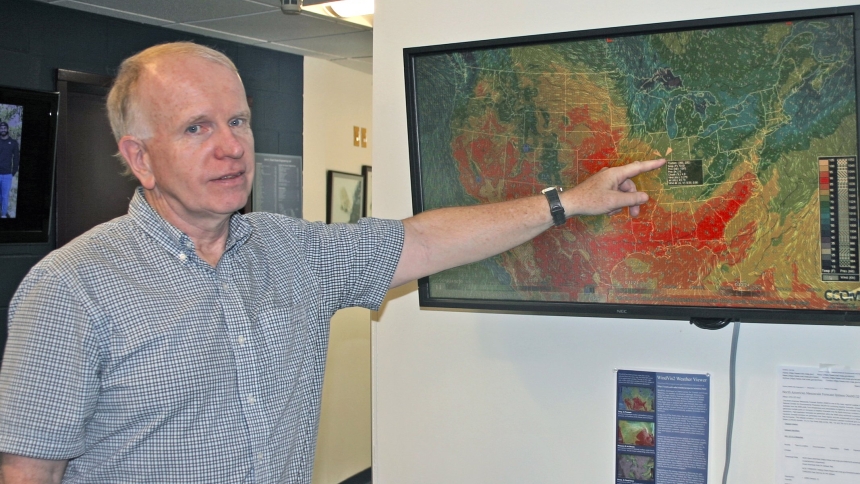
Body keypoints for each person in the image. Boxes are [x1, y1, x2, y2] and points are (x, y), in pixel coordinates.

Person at [0, 42, 666, 483]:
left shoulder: (292, 252)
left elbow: (427, 241)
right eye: (197, 128)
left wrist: (568, 202)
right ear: (140, 157)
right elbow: (31, 475)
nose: (231, 148)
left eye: (239, 121)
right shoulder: (70, 289)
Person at [0, 121, 20, 219]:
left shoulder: (13, 143)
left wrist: (14, 171)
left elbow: (16, 158)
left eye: (4, 128)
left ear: (7, 129)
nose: (3, 130)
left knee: (5, 196)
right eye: (1, 128)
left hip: (7, 174)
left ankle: (3, 214)